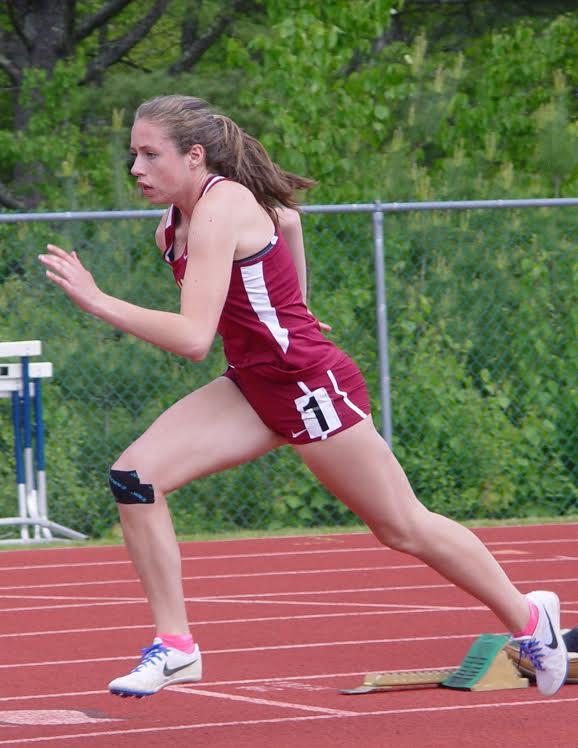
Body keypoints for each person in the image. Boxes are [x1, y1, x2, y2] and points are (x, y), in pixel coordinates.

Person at [38, 94, 568, 699]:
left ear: (194, 155)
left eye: (150, 154)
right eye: (133, 154)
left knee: (402, 528)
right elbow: (286, 221)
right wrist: (298, 305)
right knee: (134, 478)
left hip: (308, 385)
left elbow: (192, 338)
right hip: (254, 385)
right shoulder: (172, 226)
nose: (136, 167)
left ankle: (530, 619)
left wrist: (99, 300)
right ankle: (176, 647)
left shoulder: (220, 207)